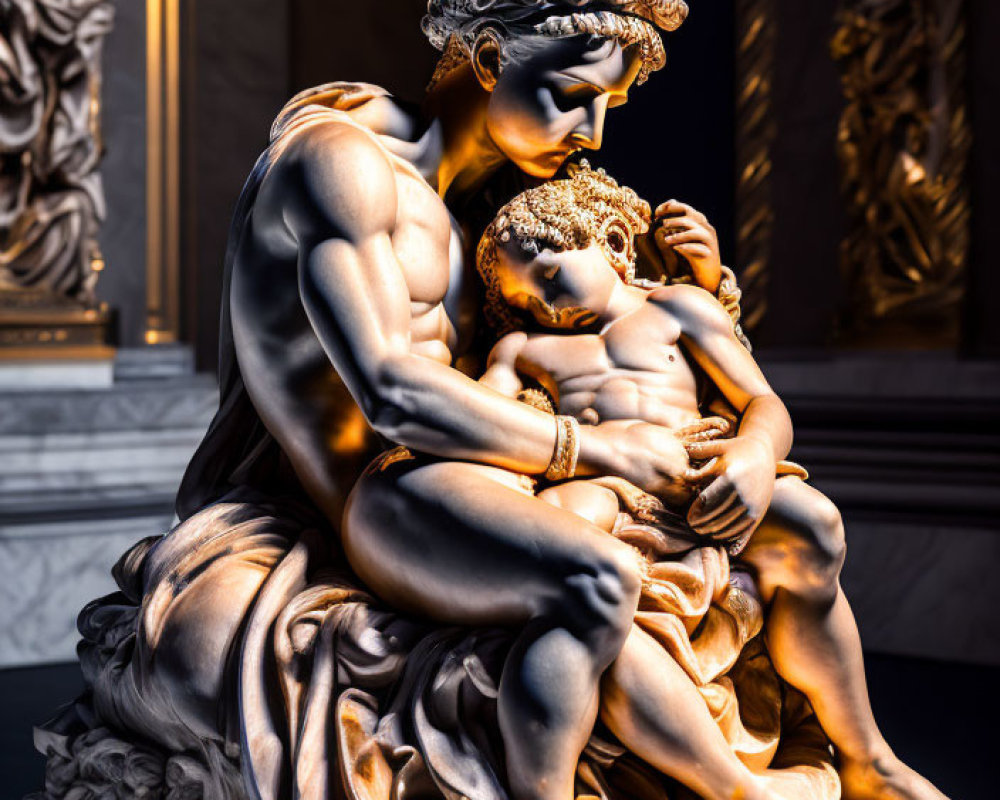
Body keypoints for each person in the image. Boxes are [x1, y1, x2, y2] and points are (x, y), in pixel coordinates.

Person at [33, 3, 944, 800]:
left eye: (608, 105)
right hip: (391, 491)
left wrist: (705, 293)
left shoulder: (509, 207)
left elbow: (619, 341)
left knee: (804, 528)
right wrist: (603, 453)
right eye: (571, 94)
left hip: (508, 471)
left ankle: (867, 761)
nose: (591, 131)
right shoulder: (339, 165)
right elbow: (390, 390)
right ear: (488, 59)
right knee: (596, 579)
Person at [344, 164, 948, 800]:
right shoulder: (523, 348)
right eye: (525, 301)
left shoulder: (679, 309)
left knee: (815, 527)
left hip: (697, 470)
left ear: (608, 239)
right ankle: (728, 783)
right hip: (604, 476)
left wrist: (754, 453)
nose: (546, 304)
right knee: (578, 560)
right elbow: (483, 414)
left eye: (550, 274)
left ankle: (866, 755)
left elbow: (762, 402)